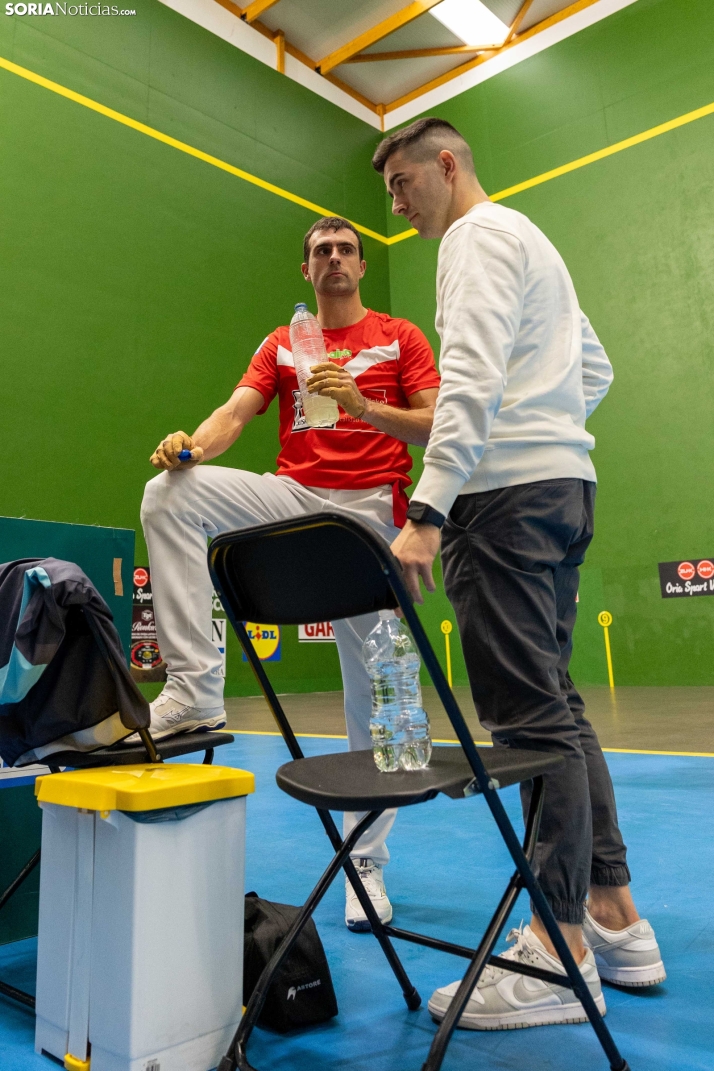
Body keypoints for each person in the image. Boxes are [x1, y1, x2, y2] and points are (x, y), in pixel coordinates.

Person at [372, 119, 665, 1031]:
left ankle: (556, 945)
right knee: (559, 708)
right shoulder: (531, 239)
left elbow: (467, 379)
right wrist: (544, 423)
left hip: (500, 503)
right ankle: (614, 915)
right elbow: (596, 368)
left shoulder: (473, 239)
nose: (397, 201)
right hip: (563, 489)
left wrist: (427, 512)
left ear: (446, 165)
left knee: (531, 720)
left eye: (402, 181)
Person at [139, 216, 440, 931]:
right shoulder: (283, 342)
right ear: (306, 269)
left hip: (373, 515)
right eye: (320, 251)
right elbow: (235, 413)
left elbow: (435, 426)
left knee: (375, 696)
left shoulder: (402, 337)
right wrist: (191, 447)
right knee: (168, 495)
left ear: (362, 266)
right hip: (295, 499)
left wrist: (365, 404)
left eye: (344, 250)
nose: (333, 258)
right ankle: (194, 690)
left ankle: (363, 863)